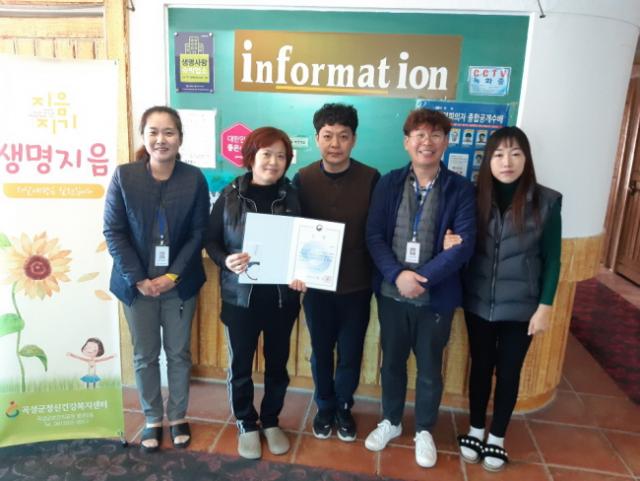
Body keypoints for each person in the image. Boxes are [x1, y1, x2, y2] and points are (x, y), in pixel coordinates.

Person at [365, 108, 476, 468]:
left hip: (436, 298)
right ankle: (391, 420)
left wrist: (420, 278)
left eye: (435, 135)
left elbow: (464, 245)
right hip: (391, 292)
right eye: (420, 135)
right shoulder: (388, 183)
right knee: (392, 362)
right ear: (406, 142)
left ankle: (425, 429)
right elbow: (374, 236)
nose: (427, 142)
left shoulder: (461, 189)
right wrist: (398, 275)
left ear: (446, 142)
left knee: (429, 367)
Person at [455, 126, 561, 472]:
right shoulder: (473, 197)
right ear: (488, 160)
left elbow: (553, 259)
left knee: (509, 371)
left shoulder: (546, 202)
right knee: (480, 366)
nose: (507, 162)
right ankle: (475, 428)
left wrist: (545, 306)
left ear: (526, 159)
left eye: (516, 154)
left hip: (522, 307)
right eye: (499, 154)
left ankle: (497, 436)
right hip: (478, 301)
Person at [104, 106, 209, 453]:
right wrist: (138, 279)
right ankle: (152, 418)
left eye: (169, 132)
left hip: (179, 285)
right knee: (145, 355)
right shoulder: (124, 177)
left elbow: (198, 232)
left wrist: (173, 275)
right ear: (143, 136)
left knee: (178, 353)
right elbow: (113, 231)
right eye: (153, 132)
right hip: (136, 288)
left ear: (180, 138)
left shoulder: (193, 179)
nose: (161, 139)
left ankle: (177, 416)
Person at [205, 127, 305, 460]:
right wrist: (225, 260)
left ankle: (271, 420)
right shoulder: (230, 195)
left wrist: (302, 272)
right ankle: (246, 423)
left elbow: (306, 244)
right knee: (241, 367)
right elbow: (211, 240)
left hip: (282, 299)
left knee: (278, 365)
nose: (273, 162)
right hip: (240, 299)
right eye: (266, 154)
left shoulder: (293, 196)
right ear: (251, 157)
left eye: (281, 156)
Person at [292, 103, 379, 442]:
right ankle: (324, 406)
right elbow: (294, 228)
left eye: (343, 136)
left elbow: (378, 231)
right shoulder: (303, 178)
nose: (335, 144)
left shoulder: (371, 178)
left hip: (357, 284)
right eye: (328, 136)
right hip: (316, 285)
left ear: (353, 139)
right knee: (321, 350)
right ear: (317, 138)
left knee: (351, 351)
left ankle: (344, 406)